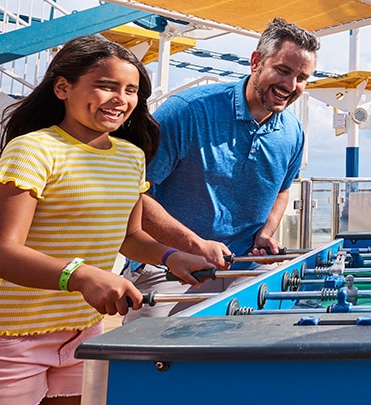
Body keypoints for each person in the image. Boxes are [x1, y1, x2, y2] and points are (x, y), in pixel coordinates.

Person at [0, 36, 215, 405]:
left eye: (131, 90)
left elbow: (130, 236)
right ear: (63, 87)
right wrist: (82, 275)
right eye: (106, 86)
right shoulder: (32, 149)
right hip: (9, 335)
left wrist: (171, 257)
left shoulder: (130, 156)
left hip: (82, 329)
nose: (121, 99)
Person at [123, 17, 319, 320]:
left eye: (302, 77)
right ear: (256, 61)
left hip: (244, 272)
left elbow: (282, 188)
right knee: (147, 361)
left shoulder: (293, 132)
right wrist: (196, 245)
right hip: (168, 266)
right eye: (283, 70)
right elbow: (135, 194)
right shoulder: (187, 111)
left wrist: (265, 233)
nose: (291, 86)